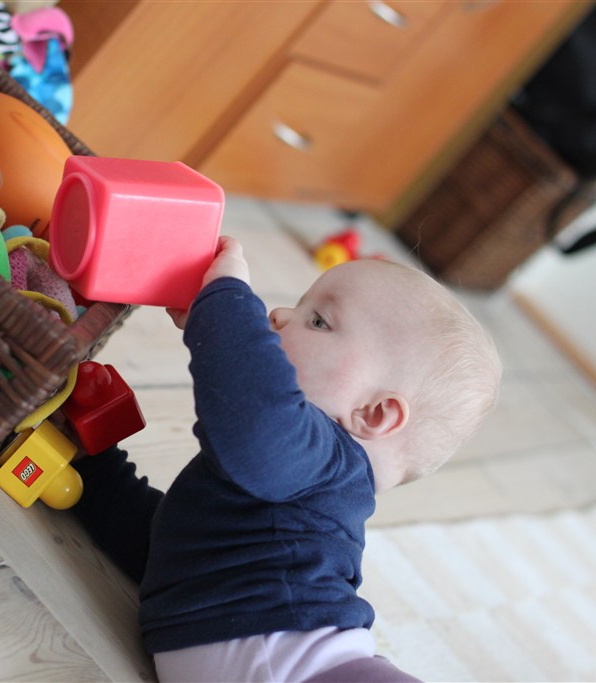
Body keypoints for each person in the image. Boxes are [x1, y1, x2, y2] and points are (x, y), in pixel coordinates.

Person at [73, 236, 502, 682]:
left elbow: (255, 412)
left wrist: (224, 302)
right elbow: (176, 552)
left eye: (318, 321)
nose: (278, 315)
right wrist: (95, 469)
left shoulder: (326, 455)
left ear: (374, 414)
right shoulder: (298, 488)